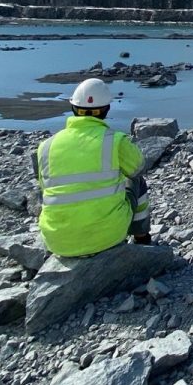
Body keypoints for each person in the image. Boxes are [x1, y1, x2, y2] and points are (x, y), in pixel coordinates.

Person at [32, 77, 151, 257]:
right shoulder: (114, 140)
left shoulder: (46, 146)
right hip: (107, 236)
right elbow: (138, 168)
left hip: (57, 241)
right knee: (137, 181)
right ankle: (142, 239)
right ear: (107, 110)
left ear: (73, 108)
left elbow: (44, 188)